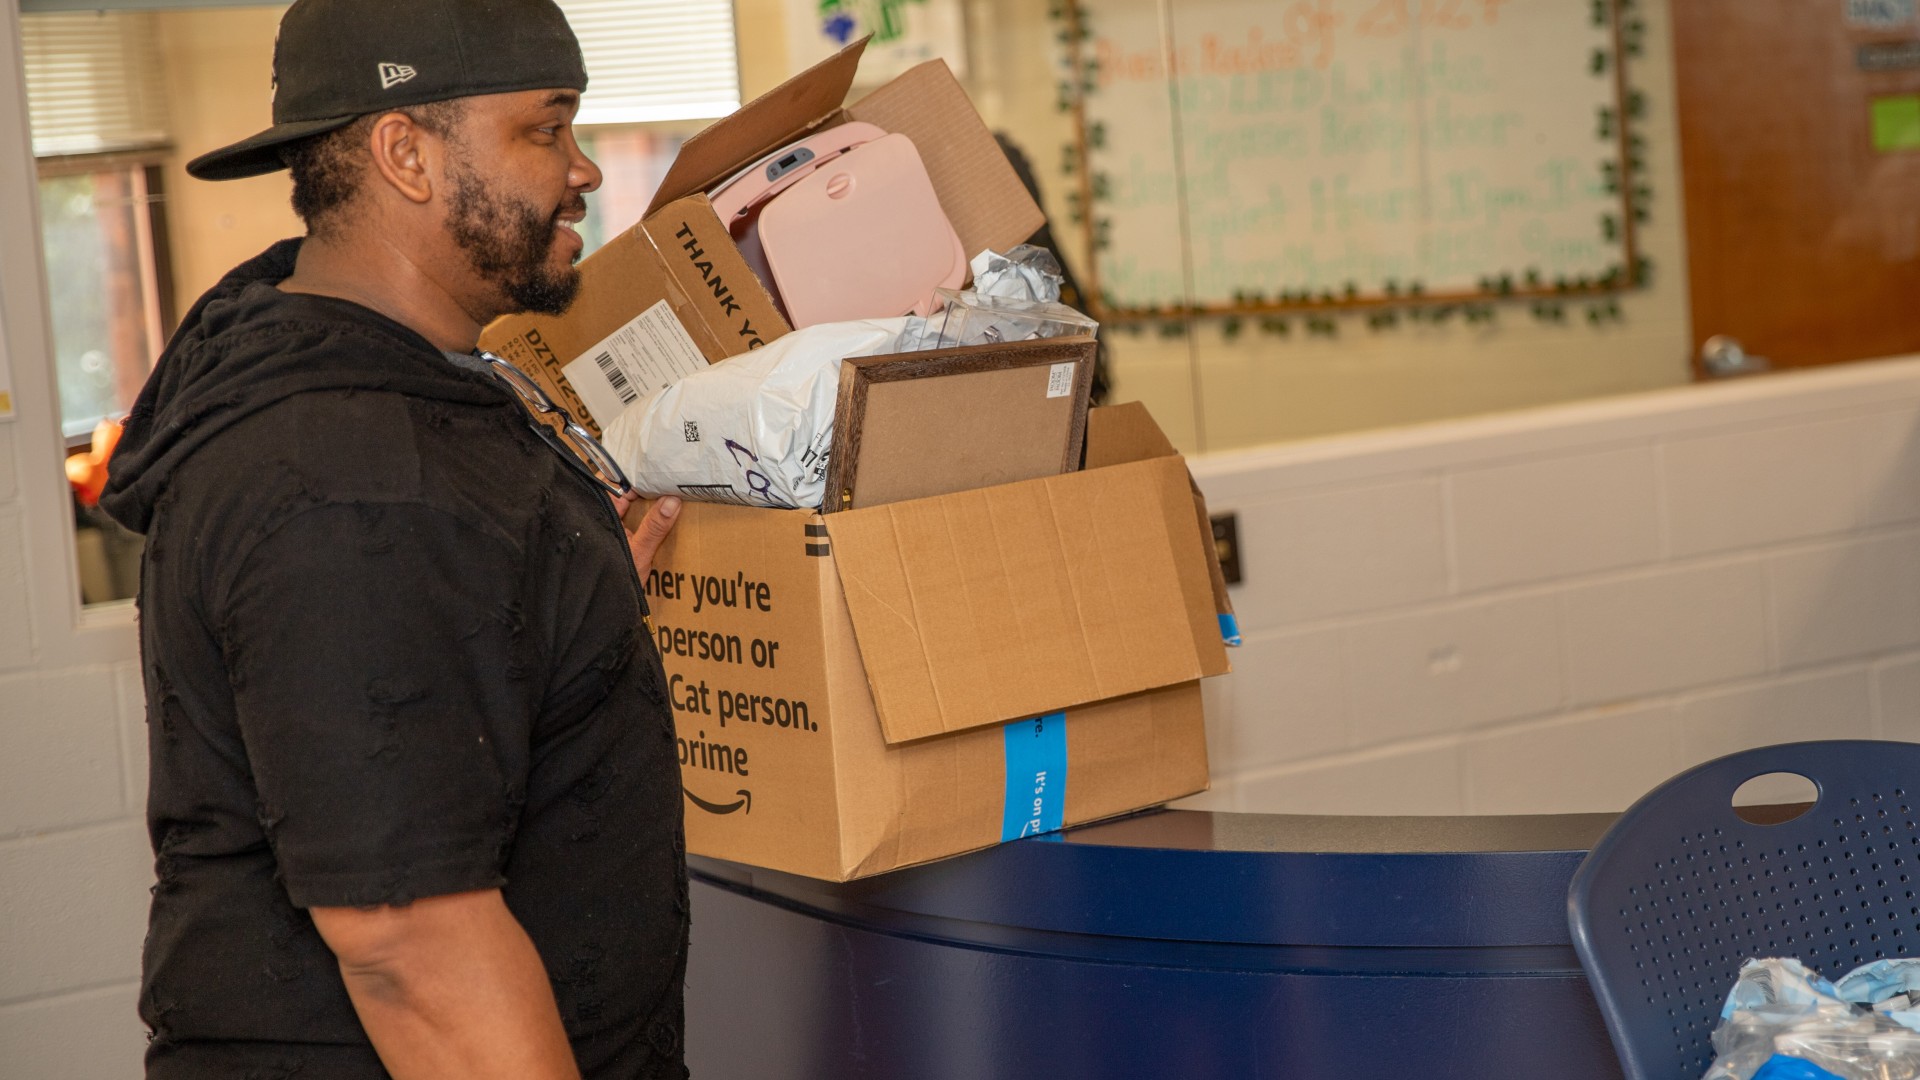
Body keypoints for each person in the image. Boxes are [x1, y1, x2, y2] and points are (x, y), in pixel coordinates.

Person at [98, 2, 688, 1077]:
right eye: (546, 130)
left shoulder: (387, 403)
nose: (586, 169)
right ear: (406, 154)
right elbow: (409, 947)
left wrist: (569, 598)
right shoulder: (355, 481)